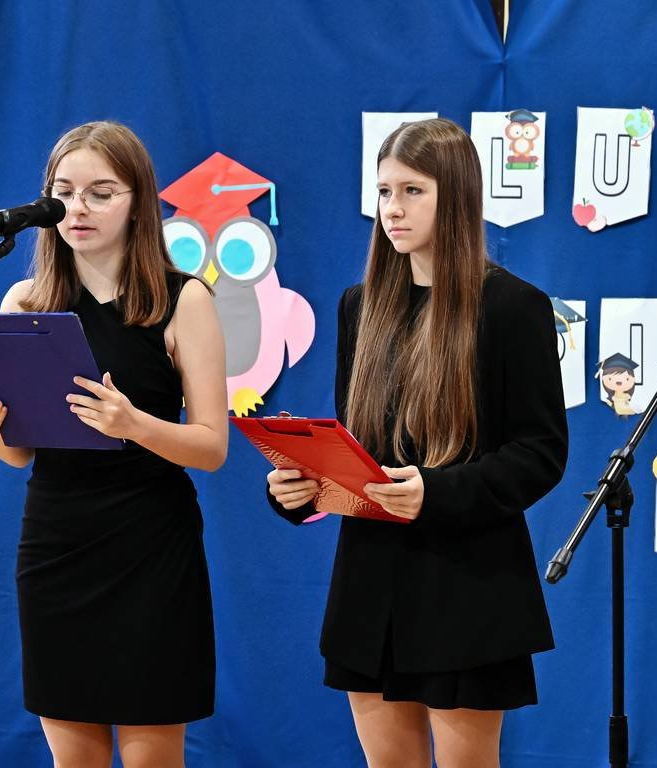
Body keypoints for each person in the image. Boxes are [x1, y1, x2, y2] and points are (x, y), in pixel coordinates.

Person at [266, 117, 567, 768]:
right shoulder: (360, 306)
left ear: (454, 195)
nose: (393, 209)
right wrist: (302, 486)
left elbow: (540, 453)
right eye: (384, 192)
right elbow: (356, 445)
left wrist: (436, 491)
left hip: (468, 583)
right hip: (370, 583)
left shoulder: (513, 307)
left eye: (412, 191)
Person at [0, 121, 227, 768]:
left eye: (101, 193)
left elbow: (212, 447)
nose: (77, 208)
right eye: (64, 192)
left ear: (138, 202)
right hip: (57, 544)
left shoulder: (182, 298)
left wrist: (135, 425)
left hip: (149, 548)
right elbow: (21, 452)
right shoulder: (26, 299)